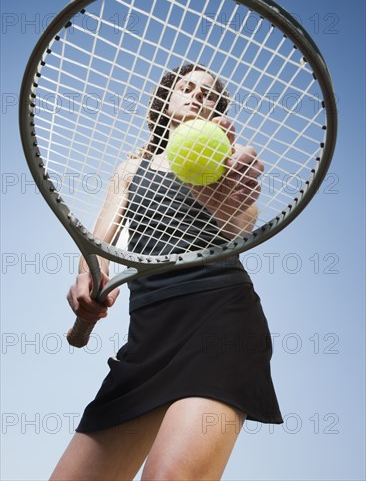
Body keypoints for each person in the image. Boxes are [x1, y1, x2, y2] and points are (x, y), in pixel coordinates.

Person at [50, 63, 283, 480]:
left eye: (208, 94)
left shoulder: (226, 166)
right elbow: (99, 245)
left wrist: (225, 206)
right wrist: (88, 277)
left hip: (219, 324)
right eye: (187, 87)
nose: (197, 95)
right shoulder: (130, 169)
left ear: (216, 112)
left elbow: (240, 222)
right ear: (166, 100)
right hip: (148, 338)